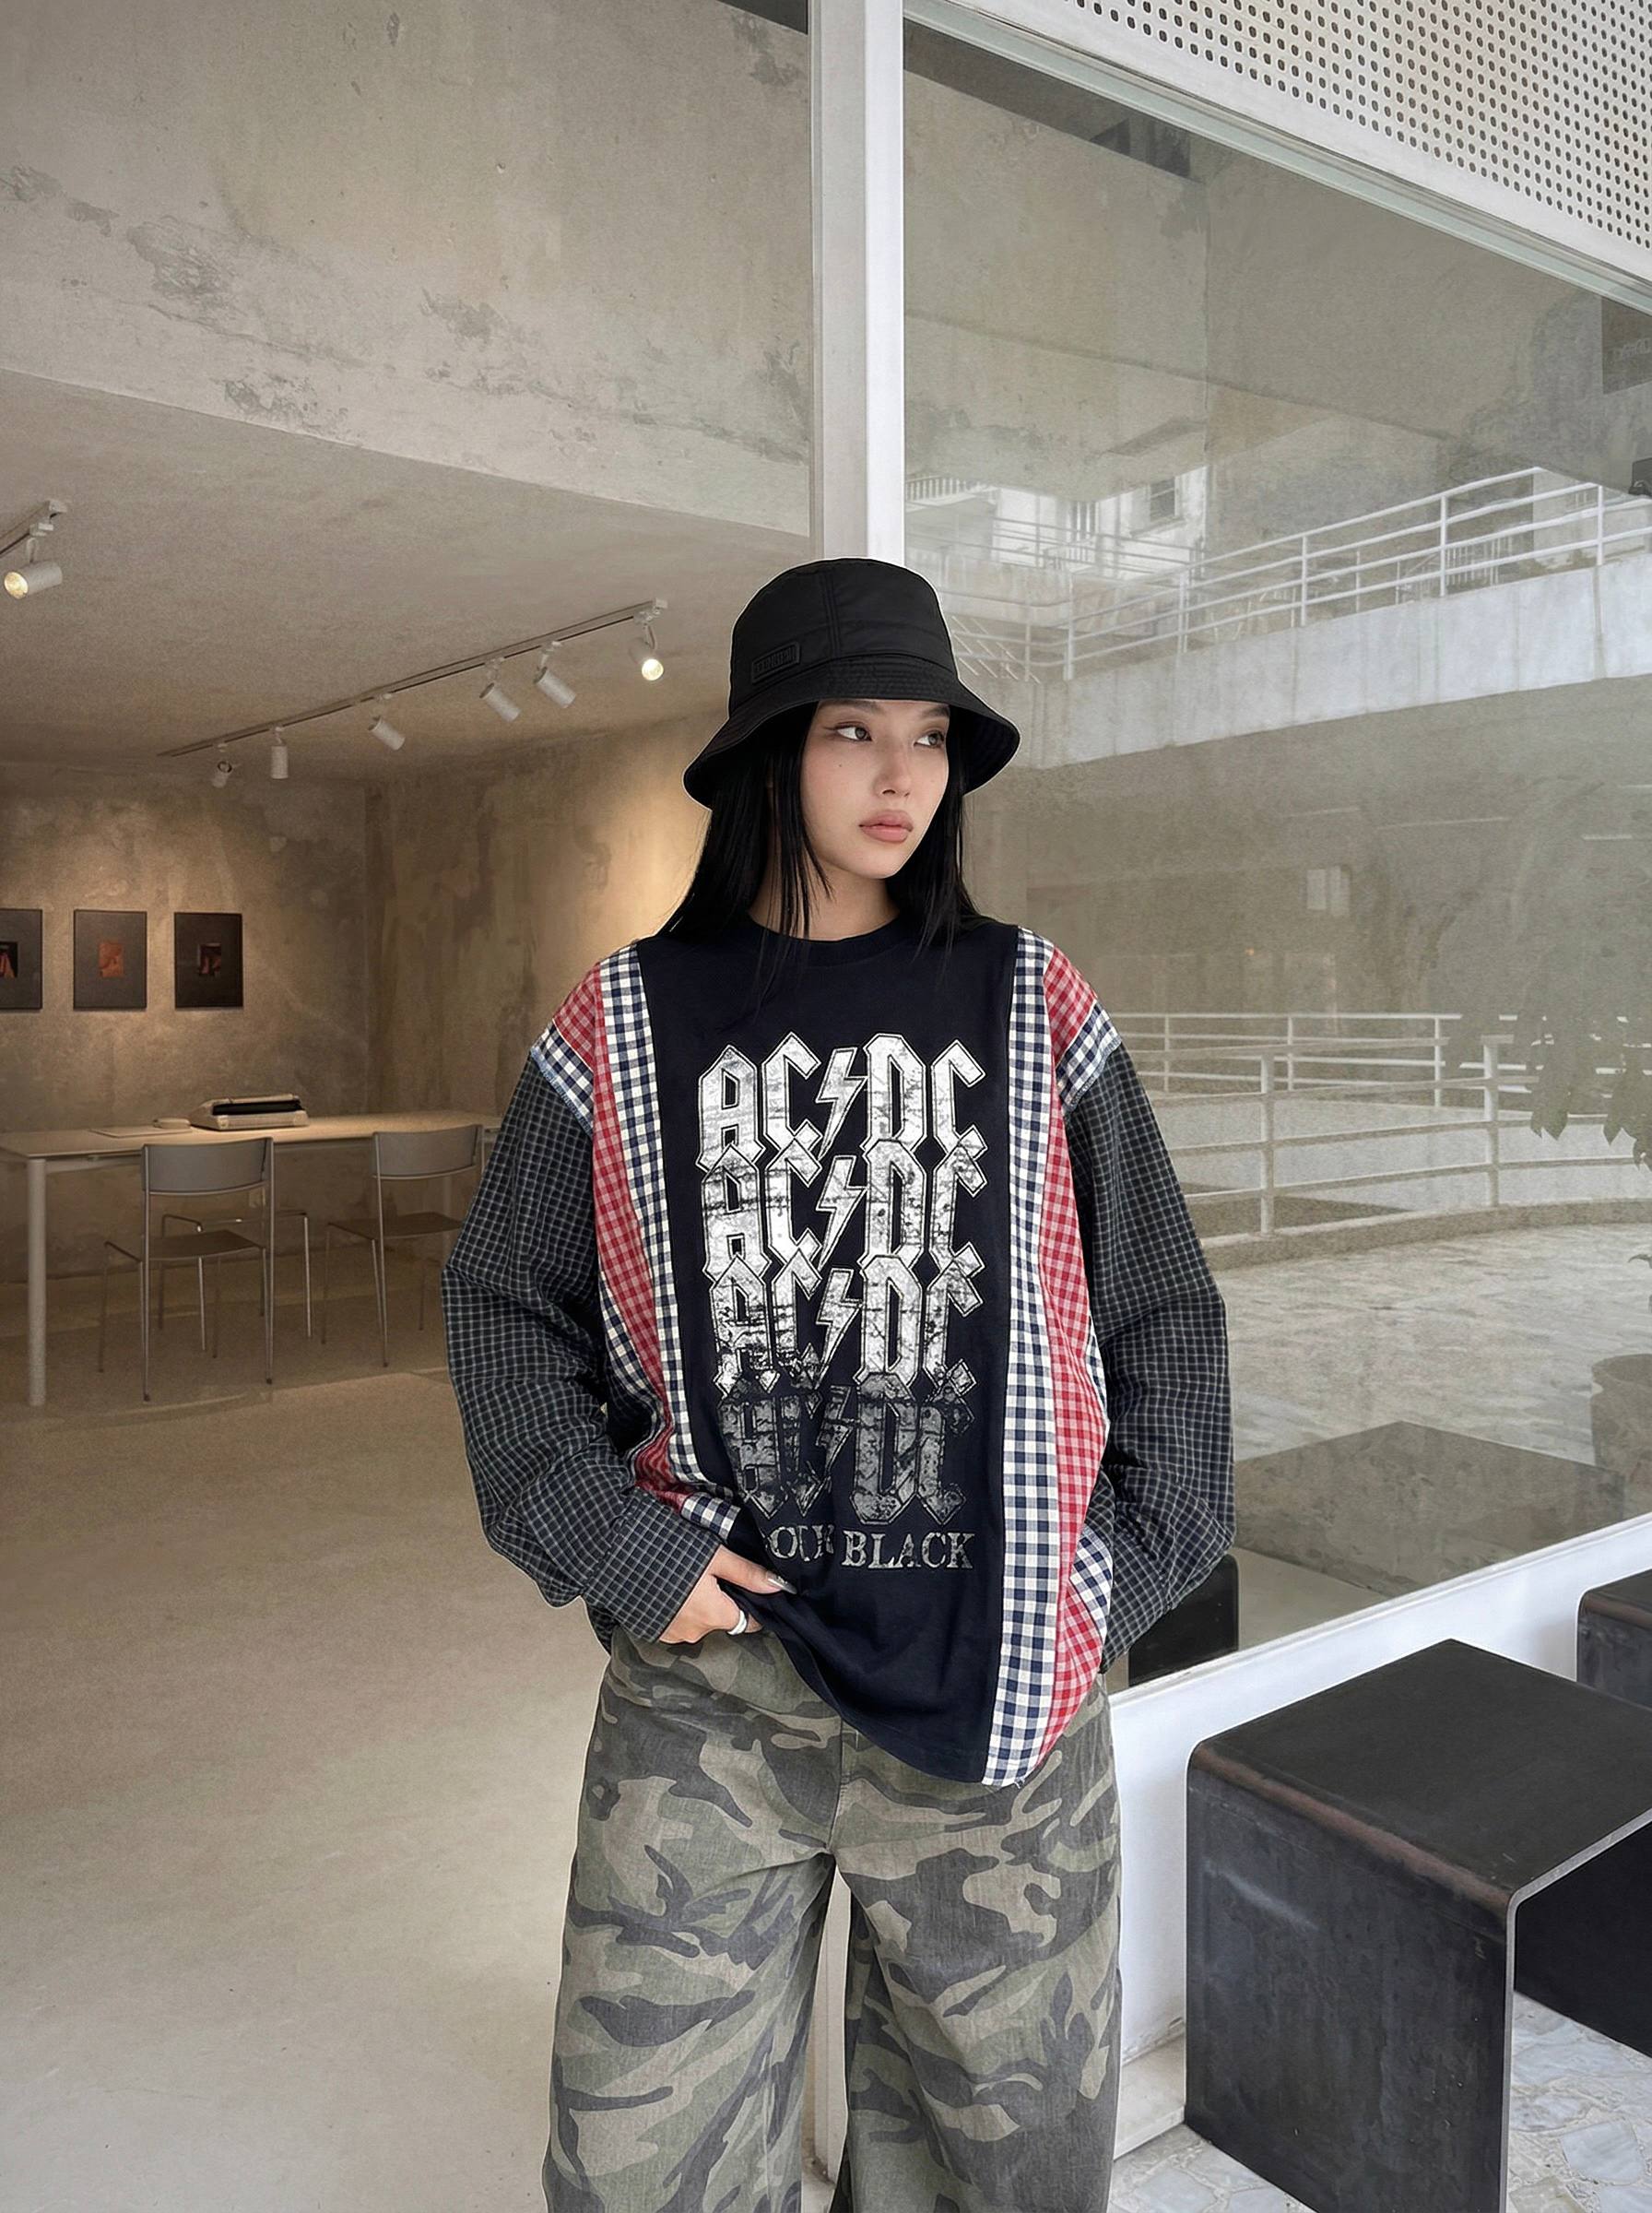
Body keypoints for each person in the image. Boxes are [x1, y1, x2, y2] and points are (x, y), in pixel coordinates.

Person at [440, 556, 1234, 2212]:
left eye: (931, 736)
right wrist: (624, 1548)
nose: (903, 775)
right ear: (768, 752)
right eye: (855, 730)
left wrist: (1120, 1571)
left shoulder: (1033, 1000)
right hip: (712, 1699)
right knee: (637, 2163)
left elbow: (1164, 1308)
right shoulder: (627, 1019)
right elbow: (504, 1306)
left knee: (999, 2173)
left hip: (1003, 1695)